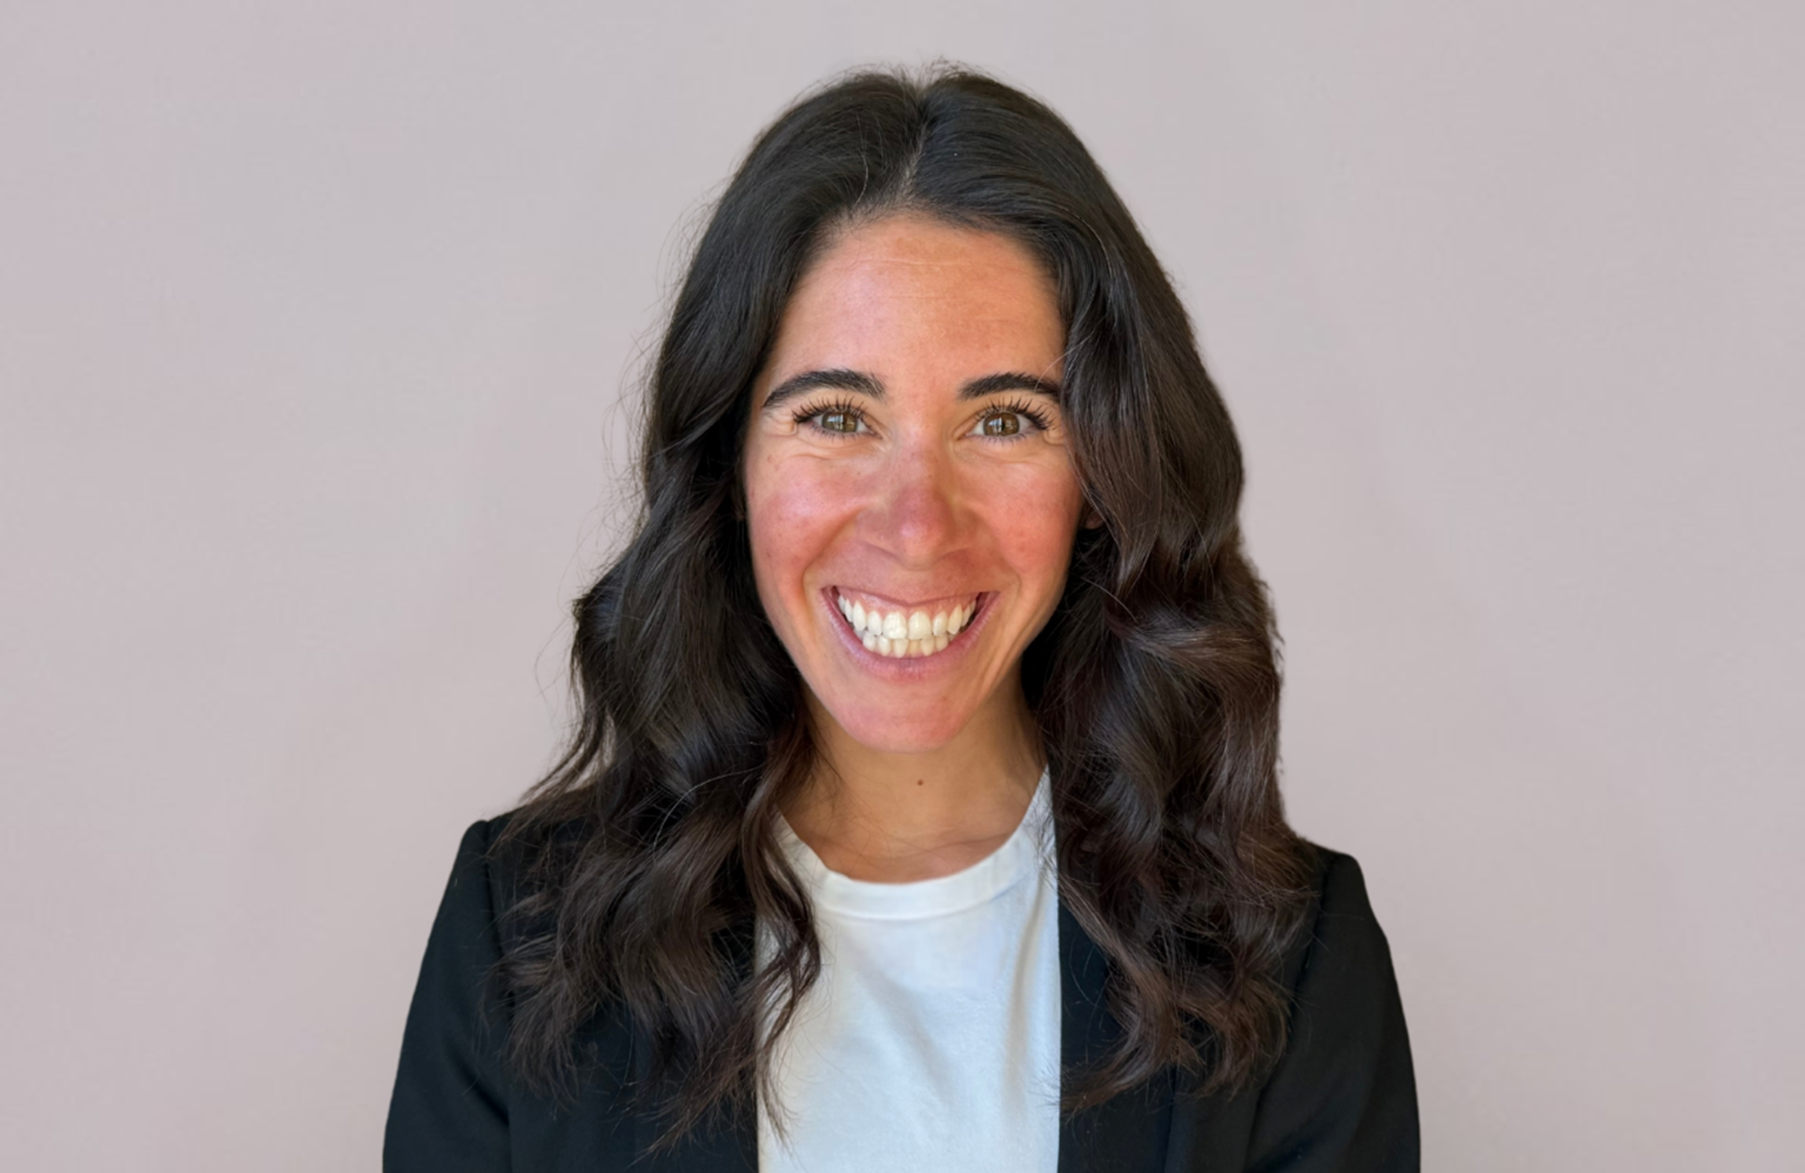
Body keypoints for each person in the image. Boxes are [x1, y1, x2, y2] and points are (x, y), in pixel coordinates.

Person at [384, 66, 1418, 1172]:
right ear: (726, 465)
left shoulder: (1289, 960)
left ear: (1104, 480)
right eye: (836, 415)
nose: (917, 526)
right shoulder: (522, 938)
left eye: (1005, 421)